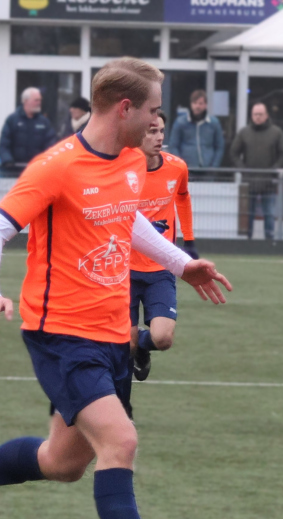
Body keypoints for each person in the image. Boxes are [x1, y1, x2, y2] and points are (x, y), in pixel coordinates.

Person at [0, 57, 232, 519]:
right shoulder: (57, 166)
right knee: (121, 442)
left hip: (113, 334)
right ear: (125, 109)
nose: (158, 121)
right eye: (153, 110)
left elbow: (127, 220)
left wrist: (179, 263)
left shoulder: (132, 161)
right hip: (61, 336)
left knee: (63, 462)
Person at [125, 111, 196, 390]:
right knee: (125, 345)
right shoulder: (122, 171)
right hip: (125, 270)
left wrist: (189, 242)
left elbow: (183, 197)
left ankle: (144, 345)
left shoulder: (177, 167)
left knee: (163, 338)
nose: (159, 137)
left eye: (161, 131)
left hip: (160, 269)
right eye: (151, 131)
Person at [230, 101, 283, 240]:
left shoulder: (276, 132)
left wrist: (274, 170)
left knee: (269, 214)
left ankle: (269, 242)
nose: (257, 117)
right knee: (248, 214)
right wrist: (243, 169)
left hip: (269, 181)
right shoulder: (244, 133)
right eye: (255, 114)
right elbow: (233, 152)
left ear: (266, 115)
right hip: (249, 181)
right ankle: (248, 241)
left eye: (260, 114)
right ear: (251, 115)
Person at [0, 87, 57, 170]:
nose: (39, 103)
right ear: (25, 101)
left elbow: (51, 144)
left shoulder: (44, 122)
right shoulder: (12, 120)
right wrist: (7, 161)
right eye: (36, 100)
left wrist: (47, 162)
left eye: (40, 100)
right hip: (14, 171)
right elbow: (4, 145)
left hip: (37, 170)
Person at [168, 89, 225, 168]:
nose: (197, 106)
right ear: (191, 104)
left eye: (200, 103)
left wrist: (214, 166)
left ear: (205, 105)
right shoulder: (180, 122)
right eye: (195, 103)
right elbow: (173, 146)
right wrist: (180, 165)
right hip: (187, 168)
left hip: (209, 169)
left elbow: (219, 146)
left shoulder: (214, 123)